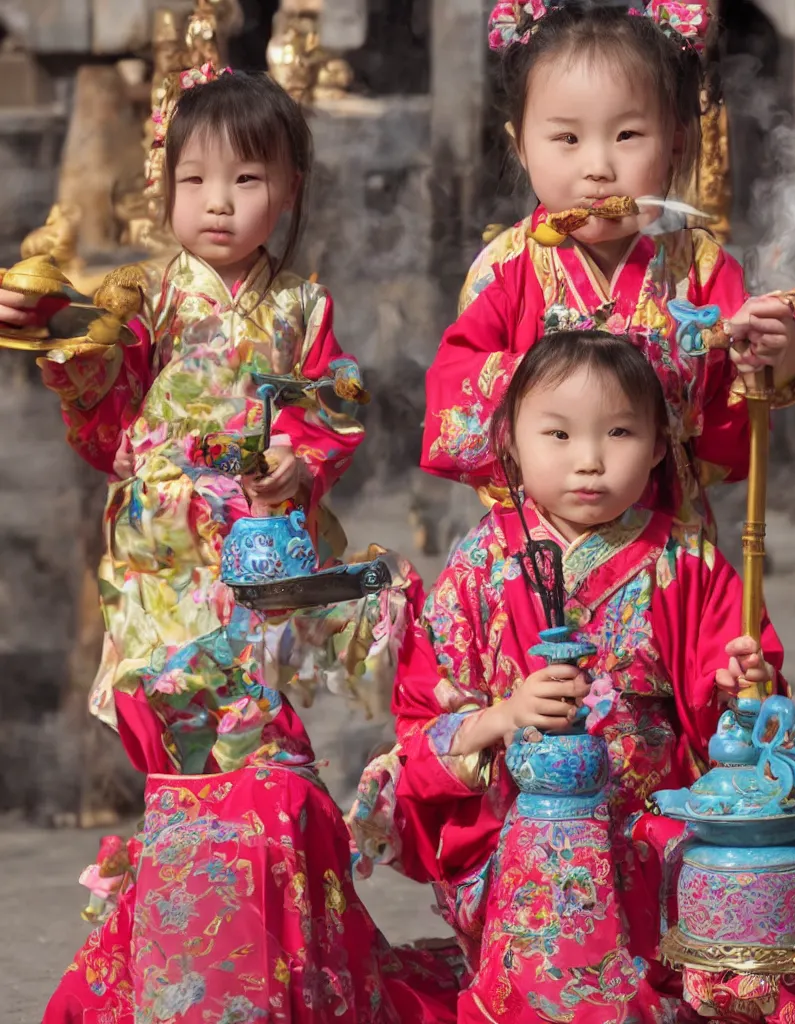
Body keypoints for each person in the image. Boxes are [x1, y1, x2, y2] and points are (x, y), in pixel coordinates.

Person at [5, 68, 461, 1023]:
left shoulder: (301, 307)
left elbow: (333, 407)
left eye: (248, 180)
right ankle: (181, 961)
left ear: (289, 189)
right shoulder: (150, 295)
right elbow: (100, 387)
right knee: (182, 746)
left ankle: (271, 958)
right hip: (164, 553)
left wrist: (297, 466)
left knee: (264, 752)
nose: (219, 203)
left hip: (260, 550)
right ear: (163, 190)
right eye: (195, 181)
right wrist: (57, 337)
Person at [353, 330, 795, 1023]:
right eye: (560, 435)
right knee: (545, 851)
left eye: (621, 432)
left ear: (660, 445)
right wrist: (506, 714)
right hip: (519, 816)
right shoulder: (481, 563)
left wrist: (743, 689)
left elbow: (732, 721)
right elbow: (427, 714)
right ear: (509, 441)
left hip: (651, 814)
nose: (591, 461)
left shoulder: (683, 558)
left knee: (743, 856)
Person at [422, 0, 795, 537]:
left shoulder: (699, 267)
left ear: (675, 144)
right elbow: (453, 393)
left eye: (627, 136)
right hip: (535, 545)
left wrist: (778, 346)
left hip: (668, 538)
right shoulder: (506, 267)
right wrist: (564, 392)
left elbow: (742, 391)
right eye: (567, 139)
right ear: (521, 146)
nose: (598, 168)